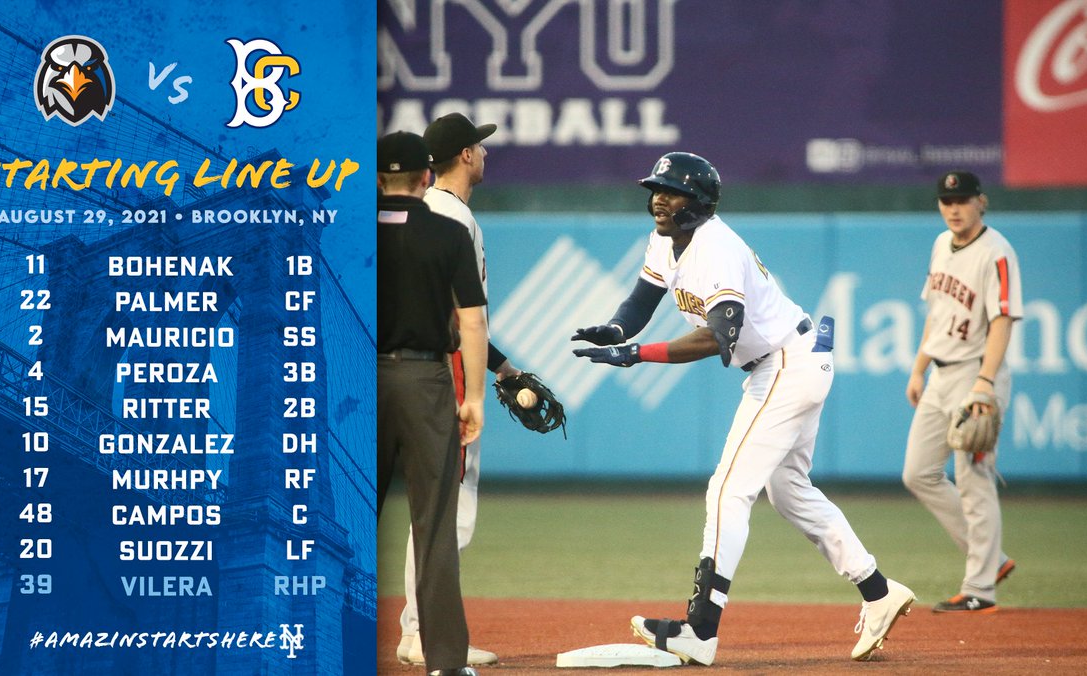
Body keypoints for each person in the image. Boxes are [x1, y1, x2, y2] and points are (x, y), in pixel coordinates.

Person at [571, 151, 915, 664]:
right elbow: (643, 298)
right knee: (789, 492)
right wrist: (618, 329)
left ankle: (700, 629)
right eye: (656, 189)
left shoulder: (715, 250)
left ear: (699, 202)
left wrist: (637, 353)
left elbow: (718, 338)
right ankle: (878, 591)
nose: (659, 199)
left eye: (672, 192)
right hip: (790, 360)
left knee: (728, 490)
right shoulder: (666, 238)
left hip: (785, 363)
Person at [396, 112, 523, 667]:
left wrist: (501, 367)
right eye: (480, 146)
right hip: (443, 372)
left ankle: (417, 630)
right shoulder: (453, 218)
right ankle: (425, 634)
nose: (486, 153)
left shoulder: (427, 211)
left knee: (435, 507)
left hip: (419, 366)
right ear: (466, 156)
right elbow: (460, 314)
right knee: (450, 510)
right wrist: (482, 381)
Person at [377, 130, 488, 676]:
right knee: (436, 521)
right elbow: (471, 321)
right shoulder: (448, 232)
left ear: (378, 180)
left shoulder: (351, 229)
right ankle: (444, 662)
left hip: (363, 382)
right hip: (425, 379)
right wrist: (477, 398)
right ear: (426, 176)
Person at [902, 170, 1023, 613]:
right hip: (940, 373)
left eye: (963, 200)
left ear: (981, 202)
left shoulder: (996, 252)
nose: (954, 209)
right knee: (918, 473)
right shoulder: (940, 244)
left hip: (975, 375)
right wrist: (919, 369)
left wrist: (985, 385)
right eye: (947, 201)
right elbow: (937, 313)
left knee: (974, 479)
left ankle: (980, 589)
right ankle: (992, 559)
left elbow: (1002, 320)